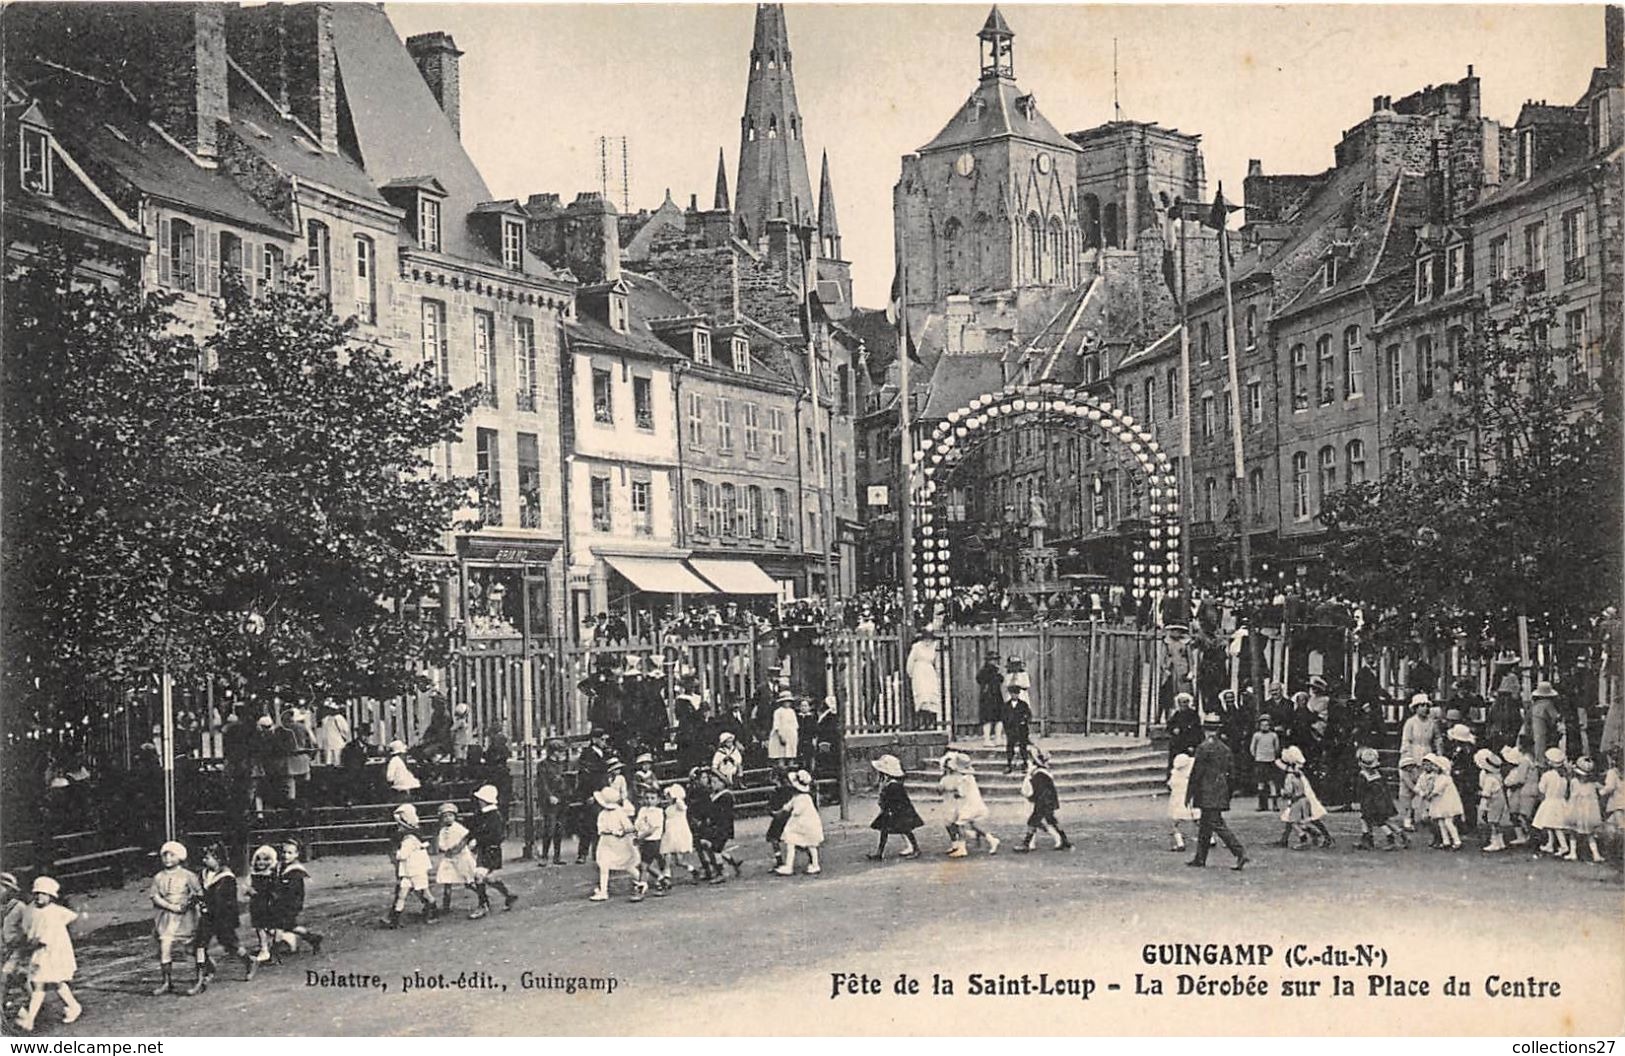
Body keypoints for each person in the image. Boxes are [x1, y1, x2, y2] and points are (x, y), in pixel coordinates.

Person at [11, 877, 85, 1032]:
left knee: (43, 983)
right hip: (39, 951)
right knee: (46, 983)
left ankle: (30, 1019)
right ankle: (73, 1006)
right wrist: (30, 939)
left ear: (51, 896)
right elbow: (27, 925)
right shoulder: (31, 909)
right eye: (37, 894)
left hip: (52, 952)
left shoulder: (54, 912)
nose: (40, 897)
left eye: (44, 894)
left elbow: (63, 921)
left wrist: (39, 941)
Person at [1184, 718, 1248, 870]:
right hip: (1220, 789)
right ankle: (1200, 858)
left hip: (1206, 791)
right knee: (1206, 826)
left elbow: (1197, 773)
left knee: (1216, 824)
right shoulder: (1225, 748)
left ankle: (1240, 853)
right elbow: (1232, 774)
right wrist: (1228, 791)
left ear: (1205, 730)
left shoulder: (1203, 747)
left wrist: (1189, 793)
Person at [189, 843, 250, 994]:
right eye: (204, 857)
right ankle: (201, 977)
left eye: (208, 857)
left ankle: (249, 961)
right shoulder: (203, 874)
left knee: (229, 944)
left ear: (218, 859)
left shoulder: (227, 877)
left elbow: (224, 901)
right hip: (208, 916)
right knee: (199, 945)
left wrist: (207, 903)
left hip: (223, 918)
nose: (205, 861)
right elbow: (198, 891)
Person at [148, 841, 202, 996]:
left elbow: (198, 893)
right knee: (165, 946)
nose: (167, 858)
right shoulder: (159, 877)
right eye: (165, 855)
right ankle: (166, 981)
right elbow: (154, 895)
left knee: (192, 947)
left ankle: (202, 974)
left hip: (186, 917)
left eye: (172, 855)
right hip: (167, 916)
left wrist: (188, 903)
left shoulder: (188, 876)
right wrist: (170, 906)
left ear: (180, 857)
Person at [382, 804, 439, 928]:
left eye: (400, 826)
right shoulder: (410, 838)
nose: (399, 828)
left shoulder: (410, 839)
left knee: (424, 892)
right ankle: (395, 919)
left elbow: (403, 855)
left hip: (416, 870)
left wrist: (395, 853)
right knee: (402, 893)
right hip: (408, 871)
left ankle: (432, 912)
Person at [466, 784, 517, 919]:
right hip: (485, 850)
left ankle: (483, 905)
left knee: (479, 876)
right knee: (488, 878)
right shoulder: (483, 815)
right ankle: (508, 895)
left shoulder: (494, 816)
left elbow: (497, 836)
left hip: (491, 850)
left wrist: (478, 841)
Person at [938, 752, 999, 857]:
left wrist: (951, 789)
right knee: (972, 825)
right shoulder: (967, 777)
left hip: (968, 804)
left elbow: (961, 793)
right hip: (971, 802)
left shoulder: (964, 779)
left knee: (960, 824)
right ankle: (991, 840)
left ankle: (962, 849)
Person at [589, 786, 642, 903]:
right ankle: (603, 890)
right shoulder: (602, 814)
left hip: (619, 842)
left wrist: (621, 832)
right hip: (605, 842)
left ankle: (641, 882)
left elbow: (630, 828)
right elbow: (601, 829)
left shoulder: (619, 813)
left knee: (628, 865)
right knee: (603, 864)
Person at [865, 755, 922, 860]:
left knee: (905, 829)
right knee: (884, 830)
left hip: (898, 811)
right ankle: (879, 852)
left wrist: (889, 808)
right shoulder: (887, 783)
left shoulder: (894, 785)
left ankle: (916, 848)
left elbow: (898, 800)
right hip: (890, 810)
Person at [1276, 747, 1332, 849]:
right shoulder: (1298, 773)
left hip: (1299, 797)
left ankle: (1310, 837)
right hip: (1302, 797)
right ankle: (1284, 839)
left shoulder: (1291, 776)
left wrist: (1284, 794)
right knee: (1293, 817)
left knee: (1298, 818)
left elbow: (1290, 790)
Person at [273, 840, 321, 957]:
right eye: (284, 852)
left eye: (290, 853)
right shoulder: (281, 867)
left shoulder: (295, 871)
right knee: (291, 927)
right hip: (282, 903)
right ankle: (313, 938)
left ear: (296, 854)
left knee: (278, 927)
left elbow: (292, 891)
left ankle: (274, 954)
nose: (286, 855)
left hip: (290, 904)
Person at [1017, 748, 1071, 852]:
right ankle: (1064, 840)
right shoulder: (1043, 773)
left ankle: (1026, 844)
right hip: (1048, 800)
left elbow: (1039, 791)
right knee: (1051, 820)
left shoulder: (1039, 774)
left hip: (1043, 801)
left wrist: (1036, 801)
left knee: (1032, 821)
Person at [1354, 748, 1407, 851]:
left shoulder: (1363, 776)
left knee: (1375, 821)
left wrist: (1360, 802)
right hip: (1382, 801)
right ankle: (1401, 835)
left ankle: (1388, 838)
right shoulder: (1378, 774)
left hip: (1371, 803)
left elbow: (1360, 791)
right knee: (1383, 820)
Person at [773, 770, 824, 876]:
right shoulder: (797, 798)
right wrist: (780, 812)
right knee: (793, 842)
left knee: (809, 845)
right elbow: (787, 806)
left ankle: (813, 865)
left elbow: (797, 811)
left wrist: (786, 813)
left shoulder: (803, 798)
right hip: (802, 825)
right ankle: (790, 866)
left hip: (805, 824)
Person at [1397, 695, 1436, 830]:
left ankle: (1426, 813)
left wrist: (1439, 756)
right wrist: (1407, 757)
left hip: (1427, 753)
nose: (1425, 708)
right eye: (1422, 705)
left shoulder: (1432, 723)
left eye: (1427, 706)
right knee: (1408, 786)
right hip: (1413, 753)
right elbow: (1406, 740)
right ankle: (1408, 816)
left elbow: (1437, 739)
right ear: (1415, 708)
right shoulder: (1410, 722)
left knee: (1428, 783)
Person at [434, 804, 478, 915]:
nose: (448, 818)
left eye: (450, 815)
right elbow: (441, 844)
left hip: (461, 857)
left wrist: (461, 847)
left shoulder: (459, 828)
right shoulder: (443, 831)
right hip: (449, 858)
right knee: (447, 881)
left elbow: (466, 839)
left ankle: (483, 898)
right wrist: (445, 848)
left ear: (455, 816)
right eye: (445, 816)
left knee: (469, 881)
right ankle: (446, 906)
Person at [244, 845, 280, 970]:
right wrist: (249, 890)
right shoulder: (253, 874)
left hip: (268, 903)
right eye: (258, 859)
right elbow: (247, 887)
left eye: (265, 859)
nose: (261, 862)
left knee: (271, 928)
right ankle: (264, 948)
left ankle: (272, 948)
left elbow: (275, 890)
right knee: (259, 927)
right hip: (257, 904)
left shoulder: (271, 875)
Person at [536, 739, 570, 867]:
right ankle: (544, 856)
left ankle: (557, 856)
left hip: (562, 798)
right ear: (553, 752)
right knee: (549, 828)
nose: (562, 754)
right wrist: (549, 796)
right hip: (550, 800)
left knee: (559, 828)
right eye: (560, 751)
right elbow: (542, 783)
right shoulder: (543, 765)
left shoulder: (562, 764)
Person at [1419, 754, 1464, 851]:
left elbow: (1437, 790)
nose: (1434, 768)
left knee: (1448, 822)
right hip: (1440, 803)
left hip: (1448, 803)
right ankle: (1446, 841)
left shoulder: (1445, 778)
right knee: (1441, 822)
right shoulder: (1438, 777)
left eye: (1436, 766)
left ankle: (1457, 841)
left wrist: (1429, 796)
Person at [1533, 747, 1572, 857]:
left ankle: (1564, 847)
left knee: (1555, 826)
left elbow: (1542, 789)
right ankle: (1550, 844)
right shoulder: (1564, 776)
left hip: (1550, 802)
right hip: (1560, 802)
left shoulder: (1547, 775)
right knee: (1549, 824)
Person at [633, 788, 669, 895]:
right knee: (644, 865)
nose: (649, 800)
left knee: (644, 866)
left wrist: (640, 838)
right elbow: (638, 825)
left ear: (658, 800)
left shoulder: (658, 812)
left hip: (653, 841)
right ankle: (663, 880)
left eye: (652, 798)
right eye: (647, 798)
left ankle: (640, 891)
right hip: (644, 841)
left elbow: (652, 830)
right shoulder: (643, 810)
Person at [1567, 757, 1603, 863]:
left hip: (1576, 811)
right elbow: (1602, 790)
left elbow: (1571, 794)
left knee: (1573, 832)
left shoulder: (1574, 782)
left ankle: (1573, 852)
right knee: (1589, 834)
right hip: (1588, 812)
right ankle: (1595, 854)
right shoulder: (1593, 785)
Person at [905, 630, 943, 730]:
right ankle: (921, 722)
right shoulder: (917, 647)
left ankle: (931, 722)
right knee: (922, 696)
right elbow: (910, 661)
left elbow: (935, 661)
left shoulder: (933, 648)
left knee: (931, 695)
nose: (928, 642)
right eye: (926, 640)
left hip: (929, 672)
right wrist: (911, 673)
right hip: (919, 672)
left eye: (930, 640)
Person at [660, 783, 697, 882]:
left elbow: (682, 806)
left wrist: (676, 798)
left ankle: (691, 870)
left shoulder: (679, 805)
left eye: (669, 796)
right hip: (669, 831)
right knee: (667, 853)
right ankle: (667, 873)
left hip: (678, 832)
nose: (667, 798)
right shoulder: (669, 807)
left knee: (678, 860)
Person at [1476, 748, 1510, 854]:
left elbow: (1486, 794)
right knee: (1497, 822)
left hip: (1494, 801)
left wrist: (1482, 803)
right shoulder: (1497, 776)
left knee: (1492, 822)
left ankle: (1495, 842)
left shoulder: (1489, 779)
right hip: (1500, 800)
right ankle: (1500, 841)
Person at [1502, 745, 1536, 847]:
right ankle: (1524, 835)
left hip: (1518, 792)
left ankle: (1523, 835)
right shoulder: (1527, 761)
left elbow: (1519, 780)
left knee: (1517, 814)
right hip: (1521, 791)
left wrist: (1508, 784)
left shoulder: (1520, 766)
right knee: (1520, 815)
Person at [1166, 750, 1197, 853]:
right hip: (1192, 800)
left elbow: (1170, 785)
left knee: (1175, 823)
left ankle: (1180, 843)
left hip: (1178, 801)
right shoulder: (1192, 772)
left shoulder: (1176, 775)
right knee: (1198, 820)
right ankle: (1210, 839)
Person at [1249, 715, 1282, 812]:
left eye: (1267, 725)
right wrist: (1257, 756)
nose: (1264, 727)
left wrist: (1272, 755)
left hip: (1270, 761)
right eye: (1262, 725)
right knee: (1261, 783)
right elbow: (1252, 748)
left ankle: (1275, 805)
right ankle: (1262, 804)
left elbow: (1277, 748)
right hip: (1260, 761)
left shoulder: (1273, 735)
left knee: (1272, 782)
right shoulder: (1257, 735)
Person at [1166, 692, 1201, 772]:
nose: (1184, 704)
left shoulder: (1193, 715)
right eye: (1182, 702)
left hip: (1188, 744)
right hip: (1177, 744)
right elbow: (1169, 726)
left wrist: (1193, 744)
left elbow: (1196, 731)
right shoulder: (1177, 714)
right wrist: (1173, 729)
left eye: (1186, 702)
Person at [977, 654, 1005, 747]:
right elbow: (980, 680)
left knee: (999, 718)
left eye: (996, 659)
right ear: (988, 661)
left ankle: (998, 738)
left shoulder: (996, 671)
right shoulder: (984, 671)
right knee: (987, 718)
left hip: (997, 696)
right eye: (993, 660)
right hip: (987, 697)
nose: (995, 662)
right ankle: (987, 739)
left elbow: (1001, 680)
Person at [1004, 684, 1033, 774]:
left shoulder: (1023, 705)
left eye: (1016, 694)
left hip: (1022, 729)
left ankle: (1025, 764)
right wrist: (1007, 728)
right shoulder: (1006, 705)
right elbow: (1004, 717)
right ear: (1010, 694)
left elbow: (1028, 716)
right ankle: (1009, 765)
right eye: (1012, 694)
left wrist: (1024, 721)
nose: (1014, 695)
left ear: (1019, 694)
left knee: (1023, 747)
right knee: (1010, 747)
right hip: (1011, 730)